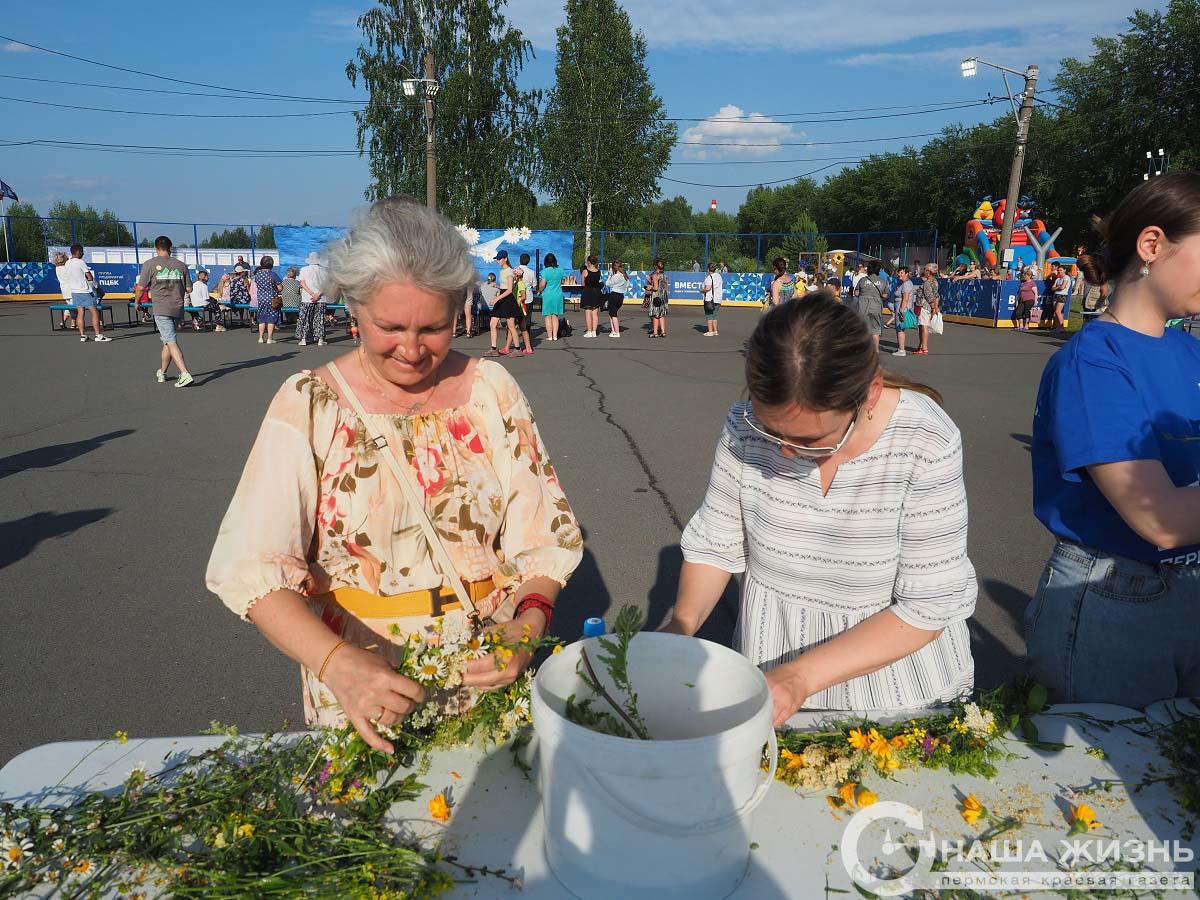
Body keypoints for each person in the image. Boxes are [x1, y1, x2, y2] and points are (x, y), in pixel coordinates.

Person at [206, 196, 584, 751]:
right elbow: (251, 568)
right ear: (354, 306)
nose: (411, 349)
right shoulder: (310, 404)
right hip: (365, 689)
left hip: (490, 683)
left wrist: (527, 626)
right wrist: (338, 666)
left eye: (434, 328)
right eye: (390, 326)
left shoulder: (492, 390)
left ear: (459, 309)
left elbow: (543, 534)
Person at [662, 294, 976, 721]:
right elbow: (716, 548)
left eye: (810, 441)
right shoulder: (743, 428)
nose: (785, 453)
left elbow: (927, 606)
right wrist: (680, 627)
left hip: (898, 699)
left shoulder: (924, 440)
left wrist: (800, 678)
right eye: (771, 431)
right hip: (774, 685)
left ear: (870, 394)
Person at [1025, 172, 1200, 708]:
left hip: (1185, 592)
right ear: (1152, 245)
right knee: (1106, 779)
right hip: (1114, 600)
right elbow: (1161, 520)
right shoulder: (1092, 363)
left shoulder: (1188, 352)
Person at [135, 235, 193, 386]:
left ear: (155, 248)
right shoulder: (181, 265)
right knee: (167, 341)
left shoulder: (149, 264)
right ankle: (162, 372)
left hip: (161, 308)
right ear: (170, 247)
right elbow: (189, 288)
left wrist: (137, 302)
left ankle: (184, 373)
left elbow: (140, 287)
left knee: (171, 341)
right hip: (177, 307)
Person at [61, 244, 110, 343]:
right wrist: (95, 287)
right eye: (82, 251)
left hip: (74, 291)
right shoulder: (80, 262)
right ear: (78, 252)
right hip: (85, 291)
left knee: (80, 313)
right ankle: (98, 335)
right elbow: (89, 276)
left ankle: (83, 335)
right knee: (94, 312)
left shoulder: (67, 263)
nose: (83, 253)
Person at [487, 250, 519, 357]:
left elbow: (510, 289)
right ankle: (493, 349)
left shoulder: (509, 271)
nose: (497, 261)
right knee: (492, 323)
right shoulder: (502, 271)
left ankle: (517, 349)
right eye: (497, 259)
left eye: (499, 259)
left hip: (508, 299)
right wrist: (497, 286)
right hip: (502, 296)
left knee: (511, 325)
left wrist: (496, 299)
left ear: (505, 259)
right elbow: (504, 287)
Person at [504, 258, 535, 357]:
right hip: (520, 308)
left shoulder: (521, 284)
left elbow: (524, 296)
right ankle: (511, 348)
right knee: (520, 328)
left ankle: (509, 348)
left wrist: (517, 301)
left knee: (514, 327)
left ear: (517, 275)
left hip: (519, 308)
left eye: (514, 275)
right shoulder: (517, 283)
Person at [854, 261, 888, 351]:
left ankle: (862, 350)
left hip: (863, 306)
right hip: (876, 305)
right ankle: (876, 350)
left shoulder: (863, 280)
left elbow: (856, 293)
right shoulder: (883, 281)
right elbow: (885, 295)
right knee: (876, 329)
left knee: (862, 328)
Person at [298, 252, 328, 346]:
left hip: (307, 298)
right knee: (319, 318)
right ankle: (320, 339)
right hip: (321, 298)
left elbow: (302, 283)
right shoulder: (324, 271)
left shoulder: (303, 269)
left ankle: (304, 339)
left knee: (305, 318)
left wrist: (311, 293)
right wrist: (318, 294)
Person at [254, 256, 283, 344]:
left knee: (262, 318)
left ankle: (260, 337)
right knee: (271, 318)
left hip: (261, 298)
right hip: (272, 299)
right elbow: (280, 287)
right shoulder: (273, 274)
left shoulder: (258, 274)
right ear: (271, 265)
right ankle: (270, 338)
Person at [538, 254, 565, 341]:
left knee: (548, 315)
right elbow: (563, 281)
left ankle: (550, 336)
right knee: (555, 315)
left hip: (548, 295)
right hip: (558, 294)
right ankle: (555, 336)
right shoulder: (560, 270)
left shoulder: (544, 271)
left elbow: (542, 284)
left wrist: (539, 291)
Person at [1076, 253, 1109, 322]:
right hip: (1087, 302)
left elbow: (1105, 291)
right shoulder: (1087, 274)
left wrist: (1099, 304)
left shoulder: (1099, 273)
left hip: (1095, 304)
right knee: (1086, 321)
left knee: (1093, 322)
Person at [915, 263, 940, 355]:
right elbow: (936, 295)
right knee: (923, 326)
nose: (924, 271)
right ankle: (921, 346)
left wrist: (933, 308)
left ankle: (924, 347)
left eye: (925, 269)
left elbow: (929, 297)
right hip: (929, 307)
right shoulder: (935, 281)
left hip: (924, 306)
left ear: (928, 272)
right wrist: (935, 307)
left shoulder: (926, 283)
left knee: (923, 326)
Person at [891, 265, 915, 356]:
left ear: (907, 273)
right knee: (899, 328)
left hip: (902, 309)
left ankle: (902, 350)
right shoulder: (902, 283)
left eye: (901, 273)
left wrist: (902, 311)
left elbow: (905, 298)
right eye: (899, 272)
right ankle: (900, 348)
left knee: (900, 328)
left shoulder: (907, 284)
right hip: (899, 308)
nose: (899, 274)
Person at [578, 255, 603, 338]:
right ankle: (594, 332)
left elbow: (583, 283)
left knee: (588, 313)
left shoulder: (585, 271)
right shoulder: (598, 271)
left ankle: (589, 331)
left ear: (588, 262)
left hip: (588, 292)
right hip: (597, 292)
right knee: (595, 313)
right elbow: (599, 282)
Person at [603, 260, 629, 338]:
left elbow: (607, 284)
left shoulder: (616, 276)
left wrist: (610, 274)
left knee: (613, 315)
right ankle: (613, 330)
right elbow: (627, 285)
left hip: (614, 295)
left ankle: (616, 332)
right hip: (621, 296)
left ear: (614, 267)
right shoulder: (624, 276)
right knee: (613, 313)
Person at [52, 251, 75, 330]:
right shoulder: (66, 267)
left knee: (69, 306)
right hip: (71, 288)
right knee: (74, 306)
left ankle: (63, 322)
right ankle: (73, 323)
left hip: (64, 289)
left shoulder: (57, 268)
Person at [647, 257, 669, 338]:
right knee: (662, 315)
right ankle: (663, 332)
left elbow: (655, 287)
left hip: (656, 297)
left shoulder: (655, 275)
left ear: (655, 266)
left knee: (655, 315)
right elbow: (666, 288)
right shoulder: (664, 275)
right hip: (663, 297)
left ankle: (655, 333)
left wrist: (650, 287)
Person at [701, 261, 723, 336]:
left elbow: (708, 288)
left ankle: (710, 331)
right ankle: (715, 331)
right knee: (715, 315)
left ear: (708, 269)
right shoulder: (719, 276)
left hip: (710, 299)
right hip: (718, 298)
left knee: (709, 315)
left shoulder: (708, 278)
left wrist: (701, 290)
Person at [1050, 262, 1071, 331]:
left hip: (1062, 295)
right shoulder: (1058, 279)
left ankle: (1062, 327)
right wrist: (1058, 287)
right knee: (1056, 312)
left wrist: (1057, 287)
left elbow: (1062, 287)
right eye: (1058, 270)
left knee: (1058, 311)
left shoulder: (1066, 277)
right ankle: (1056, 326)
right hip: (1056, 295)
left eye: (1061, 270)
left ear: (1064, 270)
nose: (1059, 272)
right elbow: (1052, 288)